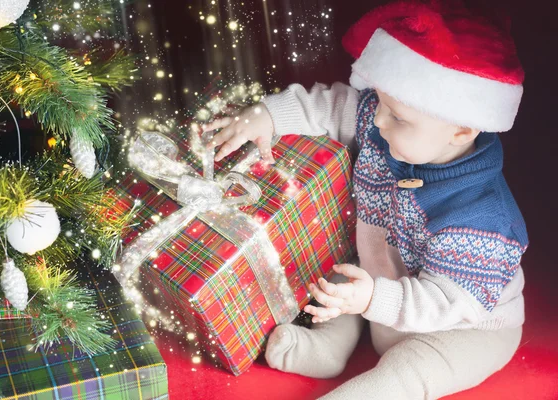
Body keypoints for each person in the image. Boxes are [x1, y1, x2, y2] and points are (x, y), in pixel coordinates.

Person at [202, 1, 528, 398]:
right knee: (340, 283)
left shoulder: (483, 218)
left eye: (397, 116)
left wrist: (373, 298)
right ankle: (329, 345)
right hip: (381, 283)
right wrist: (267, 114)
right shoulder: (389, 124)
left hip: (460, 326)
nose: (376, 120)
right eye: (380, 102)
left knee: (409, 369)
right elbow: (333, 104)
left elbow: (447, 302)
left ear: (461, 131)